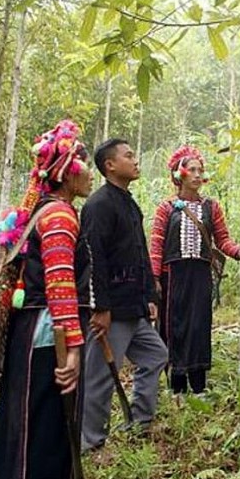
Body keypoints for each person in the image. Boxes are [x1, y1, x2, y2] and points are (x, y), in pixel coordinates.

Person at [0, 120, 92, 479]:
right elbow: (61, 286)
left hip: (29, 339)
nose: (89, 171)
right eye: (83, 160)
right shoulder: (61, 215)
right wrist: (73, 351)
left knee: (17, 437)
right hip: (48, 340)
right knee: (40, 442)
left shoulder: (38, 213)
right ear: (67, 170)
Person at [80, 138, 168, 451]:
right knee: (102, 375)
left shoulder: (130, 204)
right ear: (110, 165)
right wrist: (100, 307)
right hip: (111, 309)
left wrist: (149, 297)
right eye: (129, 155)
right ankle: (91, 441)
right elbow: (94, 259)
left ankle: (140, 423)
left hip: (134, 305)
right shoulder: (98, 205)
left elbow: (139, 252)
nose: (135, 160)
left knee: (156, 355)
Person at [149, 145, 240, 396]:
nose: (196, 174)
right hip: (173, 276)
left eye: (200, 170)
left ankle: (199, 384)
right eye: (191, 169)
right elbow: (156, 244)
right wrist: (154, 279)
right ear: (179, 174)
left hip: (200, 275)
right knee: (174, 325)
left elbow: (222, 240)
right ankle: (177, 384)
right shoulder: (166, 208)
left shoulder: (211, 207)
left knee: (199, 325)